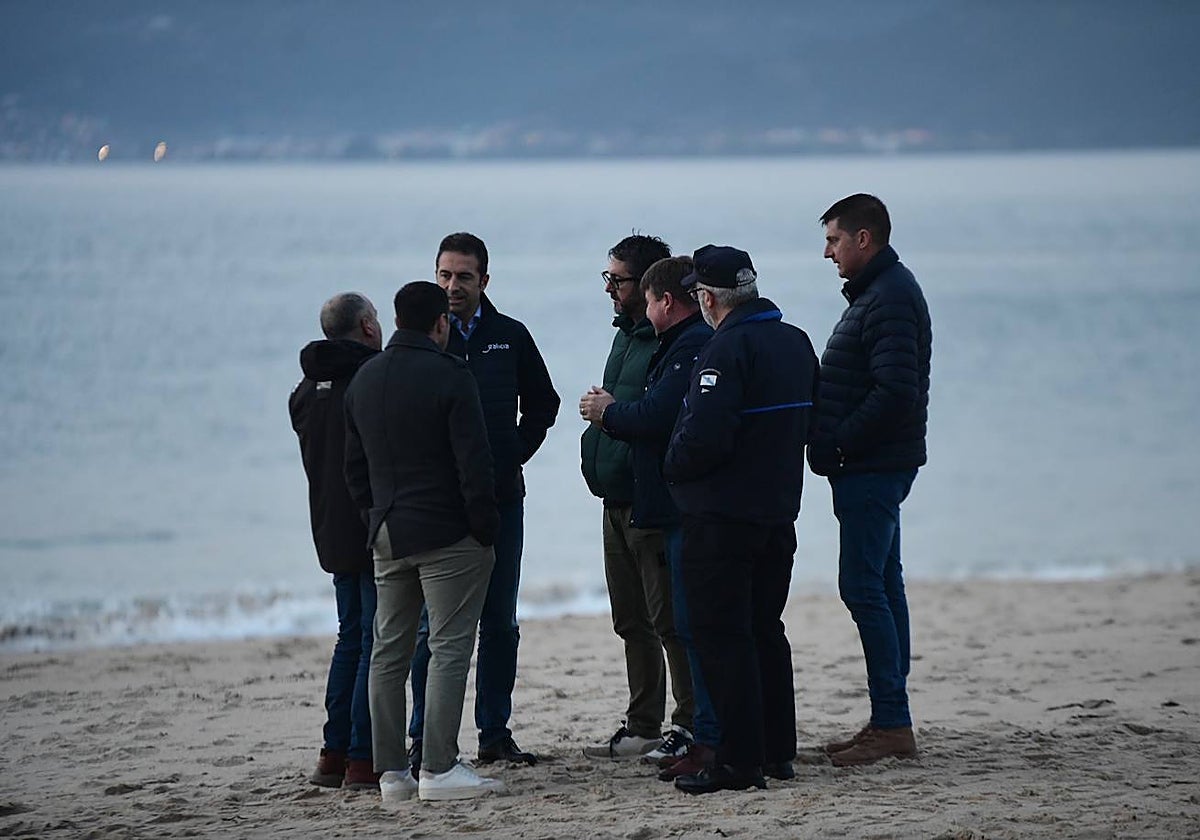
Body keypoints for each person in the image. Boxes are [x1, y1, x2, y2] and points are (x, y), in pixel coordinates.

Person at [663, 245, 819, 795]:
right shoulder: (795, 342)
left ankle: (736, 761)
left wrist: (672, 467)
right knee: (764, 631)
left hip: (722, 517)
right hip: (778, 512)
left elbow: (704, 437)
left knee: (721, 637)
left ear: (707, 298)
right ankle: (777, 752)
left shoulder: (724, 348)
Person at [344, 281, 505, 802]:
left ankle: (391, 773)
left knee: (388, 652)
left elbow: (354, 470)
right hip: (446, 533)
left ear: (395, 321)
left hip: (389, 531)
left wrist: (375, 516)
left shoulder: (364, 379)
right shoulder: (450, 374)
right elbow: (473, 463)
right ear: (440, 324)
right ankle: (437, 766)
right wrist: (485, 528)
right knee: (449, 647)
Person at [407, 232, 561, 773]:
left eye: (463, 277)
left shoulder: (509, 336)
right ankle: (422, 737)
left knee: (500, 623)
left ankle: (493, 734)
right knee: (433, 628)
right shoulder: (420, 341)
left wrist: (514, 452)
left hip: (500, 502)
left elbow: (545, 403)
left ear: (484, 281)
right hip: (438, 508)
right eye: (444, 275)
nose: (452, 286)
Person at [581, 255, 718, 780]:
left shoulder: (679, 342)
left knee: (669, 620)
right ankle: (642, 723)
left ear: (650, 287)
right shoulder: (626, 336)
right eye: (607, 278)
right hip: (613, 498)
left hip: (652, 502)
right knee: (629, 620)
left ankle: (685, 723)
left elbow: (657, 414)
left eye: (617, 279)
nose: (609, 288)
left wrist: (608, 412)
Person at [808, 194, 932, 767]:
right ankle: (890, 715)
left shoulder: (889, 297)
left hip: (873, 466)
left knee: (863, 587)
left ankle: (892, 723)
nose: (827, 251)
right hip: (873, 464)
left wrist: (838, 442)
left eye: (834, 240)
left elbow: (895, 391)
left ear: (864, 238)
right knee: (884, 582)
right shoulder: (878, 293)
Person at [289, 292, 383, 790]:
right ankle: (362, 759)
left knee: (351, 638)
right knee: (374, 640)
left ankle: (334, 752)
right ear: (367, 327)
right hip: (370, 526)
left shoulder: (305, 391)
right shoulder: (369, 381)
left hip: (328, 528)